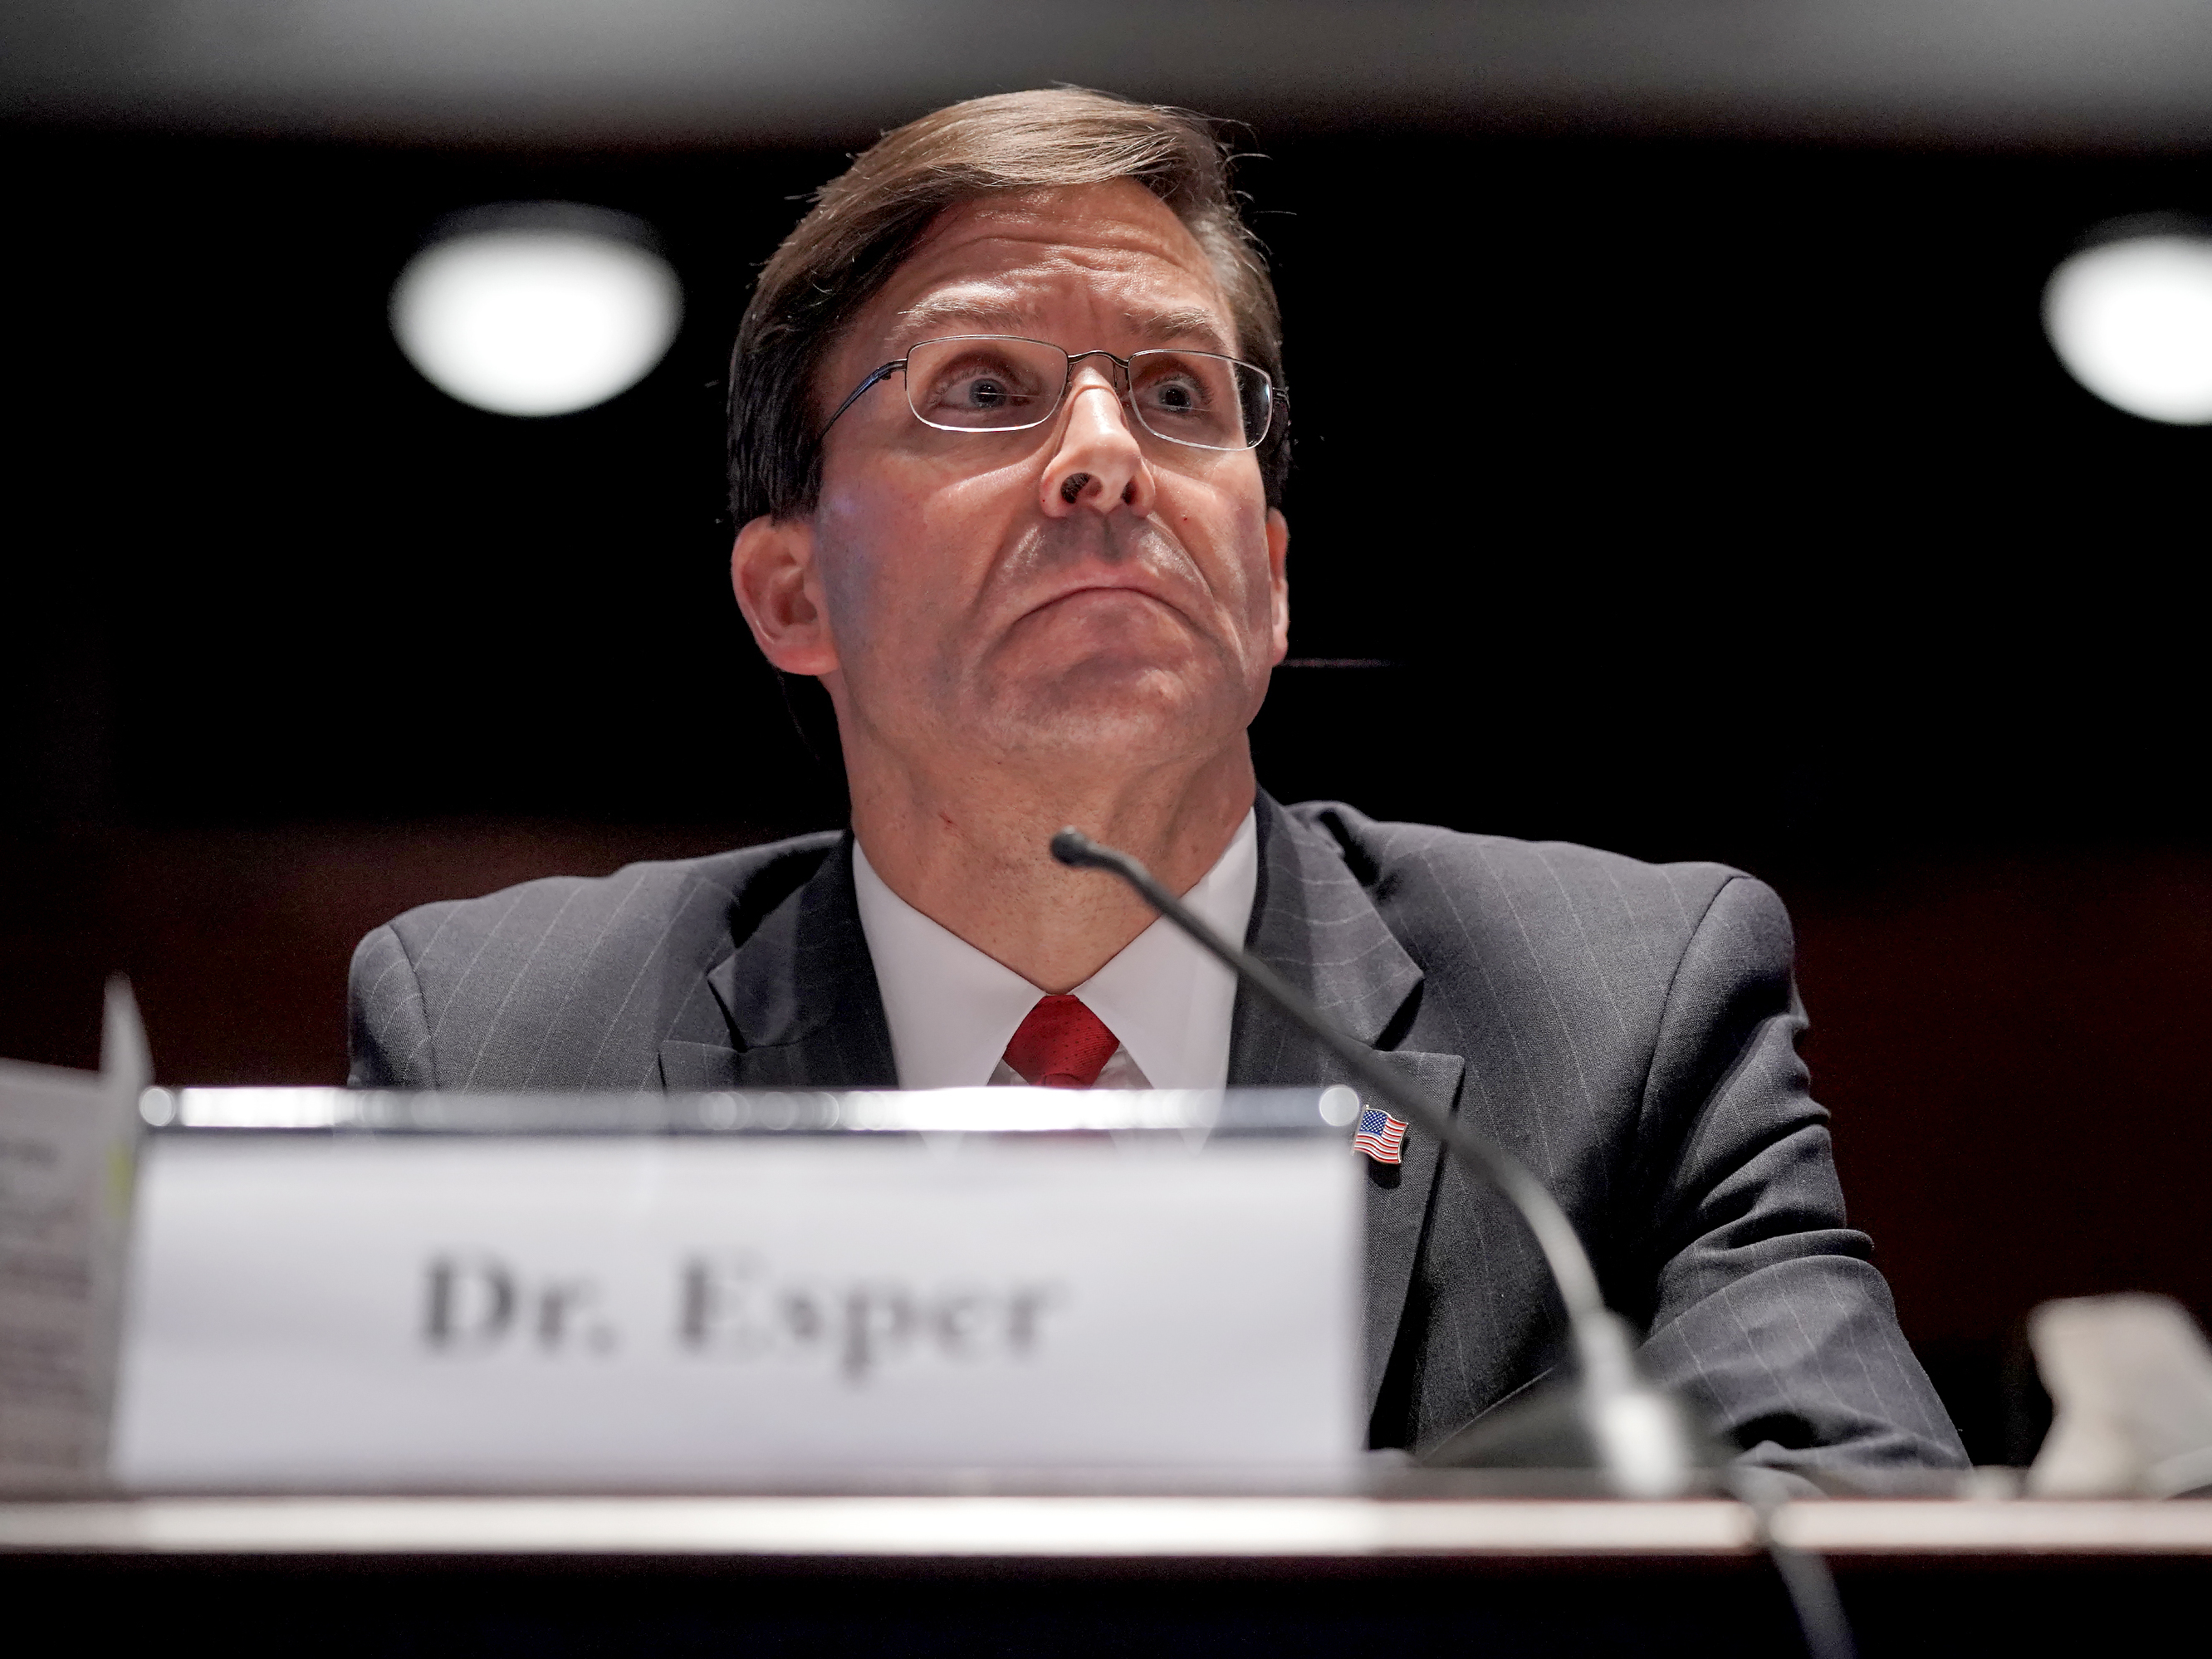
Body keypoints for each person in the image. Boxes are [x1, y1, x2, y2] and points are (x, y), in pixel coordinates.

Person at [350, 88, 1964, 1471]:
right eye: (985, 390)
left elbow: (1865, 1538)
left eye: (1178, 395)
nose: (1106, 454)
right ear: (791, 595)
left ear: (1269, 583)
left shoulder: (1623, 1014)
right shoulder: (503, 1050)